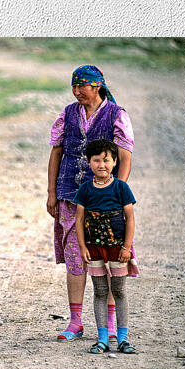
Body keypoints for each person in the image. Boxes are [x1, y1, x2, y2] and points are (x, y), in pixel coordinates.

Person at [47, 64, 134, 342]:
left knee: (105, 258)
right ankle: (75, 322)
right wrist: (52, 192)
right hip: (70, 196)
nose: (76, 92)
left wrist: (117, 193)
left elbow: (125, 156)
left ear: (97, 86)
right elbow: (56, 152)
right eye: (73, 87)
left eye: (81, 86)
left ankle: (108, 322)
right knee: (76, 258)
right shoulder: (68, 113)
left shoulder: (117, 115)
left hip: (106, 201)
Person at [73, 139, 139, 354]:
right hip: (94, 249)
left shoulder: (121, 187)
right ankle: (102, 338)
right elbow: (80, 219)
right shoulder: (85, 189)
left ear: (114, 162)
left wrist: (126, 247)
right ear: (89, 162)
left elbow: (129, 218)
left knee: (119, 290)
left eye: (106, 160)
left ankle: (122, 338)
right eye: (96, 160)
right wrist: (82, 246)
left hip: (117, 248)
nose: (102, 165)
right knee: (100, 290)